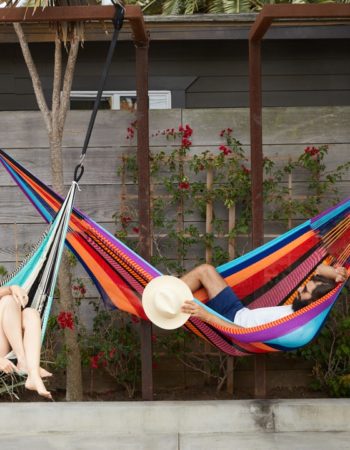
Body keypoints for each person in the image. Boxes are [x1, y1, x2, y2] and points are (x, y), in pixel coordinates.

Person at [181, 263, 348, 329]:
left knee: (203, 274)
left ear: (313, 303)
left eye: (304, 291)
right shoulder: (302, 307)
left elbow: (244, 334)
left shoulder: (292, 325)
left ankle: (160, 297)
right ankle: (161, 294)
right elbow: (319, 269)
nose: (298, 290)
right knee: (206, 270)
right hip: (238, 311)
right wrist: (335, 275)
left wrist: (207, 316)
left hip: (230, 322)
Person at [0, 284, 52, 399]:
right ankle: (24, 362)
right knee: (8, 300)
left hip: (10, 334)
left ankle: (33, 374)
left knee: (31, 314)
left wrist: (12, 288)